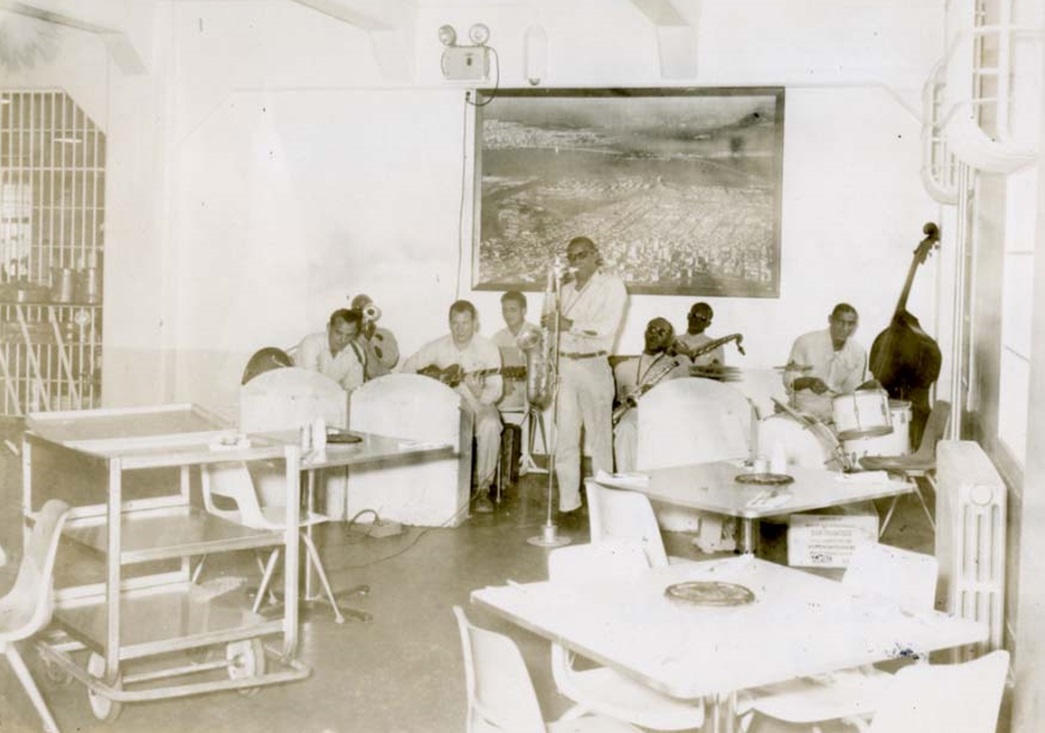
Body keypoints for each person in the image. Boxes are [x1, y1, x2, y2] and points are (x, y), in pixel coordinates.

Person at [542, 236, 627, 521]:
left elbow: (606, 327)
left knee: (600, 439)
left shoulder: (612, 286)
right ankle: (569, 504)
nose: (576, 261)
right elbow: (549, 326)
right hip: (565, 366)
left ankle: (606, 505)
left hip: (594, 366)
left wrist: (569, 325)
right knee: (565, 437)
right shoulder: (563, 290)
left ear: (595, 256)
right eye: (571, 256)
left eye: (582, 255)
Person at [401, 300, 503, 513]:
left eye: (465, 323)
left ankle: (483, 489)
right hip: (445, 408)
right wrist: (428, 385)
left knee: (491, 425)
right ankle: (426, 487)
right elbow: (408, 367)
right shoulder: (437, 346)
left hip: (478, 405)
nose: (460, 329)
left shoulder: (488, 348)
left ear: (475, 323)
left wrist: (477, 391)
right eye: (455, 323)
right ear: (449, 323)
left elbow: (496, 391)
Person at [612, 318, 690, 473]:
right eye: (652, 330)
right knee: (626, 426)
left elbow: (684, 397)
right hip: (634, 414)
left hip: (663, 414)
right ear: (645, 333)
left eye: (662, 332)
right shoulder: (623, 367)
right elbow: (618, 400)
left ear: (669, 339)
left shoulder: (676, 365)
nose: (655, 335)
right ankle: (626, 480)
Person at [784, 303, 868, 422]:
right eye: (840, 322)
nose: (845, 328)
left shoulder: (858, 352)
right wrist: (809, 382)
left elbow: (850, 391)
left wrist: (867, 388)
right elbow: (789, 381)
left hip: (836, 414)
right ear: (830, 320)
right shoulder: (805, 342)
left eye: (850, 324)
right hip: (803, 409)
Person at [490, 290, 542, 414]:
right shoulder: (497, 338)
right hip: (509, 393)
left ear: (523, 311)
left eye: (512, 309)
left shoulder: (537, 333)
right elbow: (492, 368)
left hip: (534, 391)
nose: (507, 314)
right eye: (504, 310)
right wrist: (501, 381)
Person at [294, 308, 367, 393]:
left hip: (331, 399)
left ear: (355, 334)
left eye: (349, 335)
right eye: (339, 333)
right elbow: (311, 384)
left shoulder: (357, 353)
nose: (343, 340)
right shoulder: (311, 344)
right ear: (329, 327)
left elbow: (353, 391)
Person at [350, 294, 400, 379]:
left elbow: (390, 361)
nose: (363, 314)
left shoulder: (385, 334)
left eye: (367, 310)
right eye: (358, 311)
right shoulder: (348, 336)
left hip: (382, 383)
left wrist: (372, 339)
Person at [676, 302, 726, 367]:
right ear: (688, 316)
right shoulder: (673, 341)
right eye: (694, 315)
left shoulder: (715, 346)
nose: (697, 320)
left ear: (708, 324)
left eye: (703, 318)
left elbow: (719, 372)